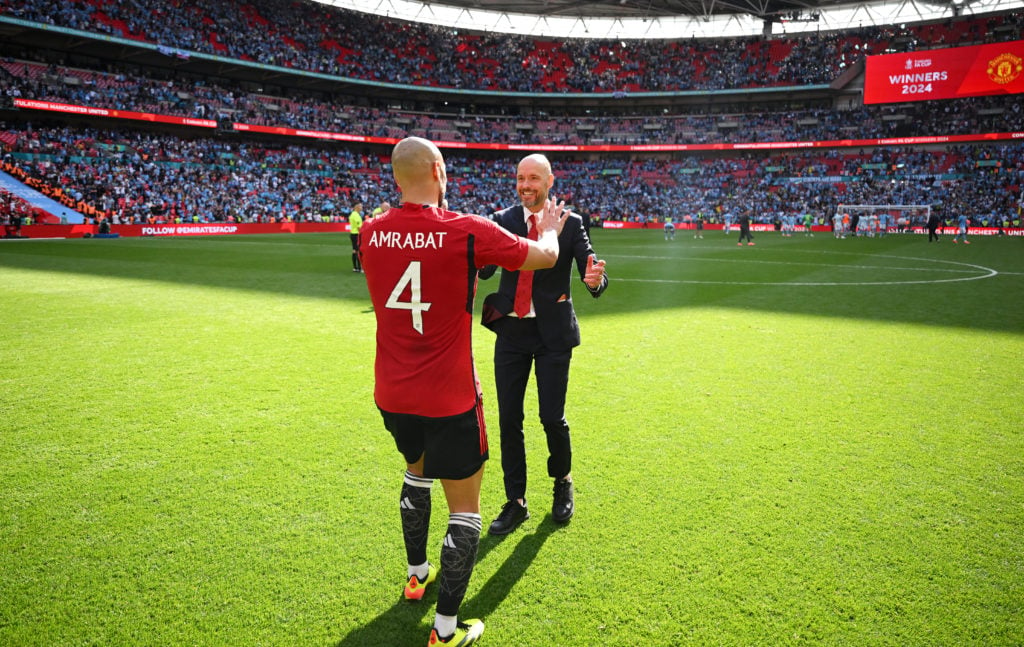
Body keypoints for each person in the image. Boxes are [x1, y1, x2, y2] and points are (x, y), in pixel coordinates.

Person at [360, 137, 567, 647]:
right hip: (449, 395)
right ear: (437, 169)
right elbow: (541, 258)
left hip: (392, 391)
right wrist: (553, 233)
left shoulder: (369, 233)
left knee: (416, 471)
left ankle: (416, 575)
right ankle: (446, 631)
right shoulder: (465, 231)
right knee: (466, 510)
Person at [478, 153, 608, 536]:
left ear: (550, 182)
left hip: (552, 335)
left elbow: (592, 271)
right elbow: (485, 269)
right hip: (512, 333)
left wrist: (594, 279)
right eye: (520, 178)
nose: (525, 185)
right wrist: (481, 246)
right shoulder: (504, 220)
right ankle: (515, 501)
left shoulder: (571, 223)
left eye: (534, 178)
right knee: (509, 419)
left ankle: (562, 481)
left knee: (551, 417)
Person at [348, 201, 364, 272]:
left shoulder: (353, 214)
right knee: (358, 251)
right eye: (360, 206)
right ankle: (360, 268)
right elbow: (359, 227)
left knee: (355, 250)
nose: (361, 207)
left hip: (353, 234)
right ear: (356, 207)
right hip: (357, 234)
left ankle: (355, 267)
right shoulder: (356, 215)